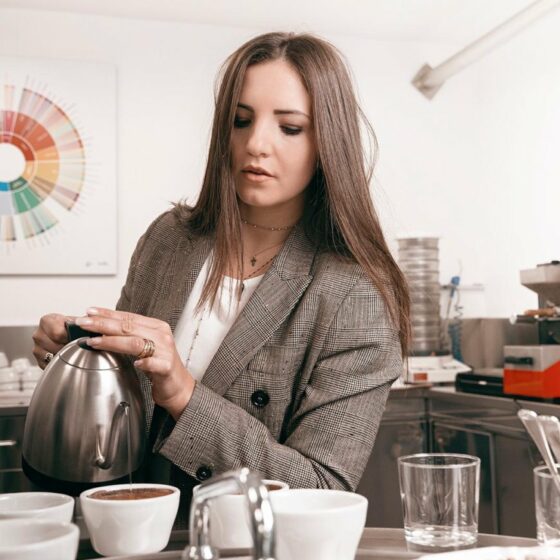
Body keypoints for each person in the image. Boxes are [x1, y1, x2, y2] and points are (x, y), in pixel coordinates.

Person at [32, 31, 410, 524]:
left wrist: (183, 395)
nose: (256, 144)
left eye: (290, 128)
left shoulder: (355, 292)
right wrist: (79, 357)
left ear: (327, 141)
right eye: (241, 120)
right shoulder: (170, 239)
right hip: (130, 533)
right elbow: (125, 411)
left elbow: (322, 489)